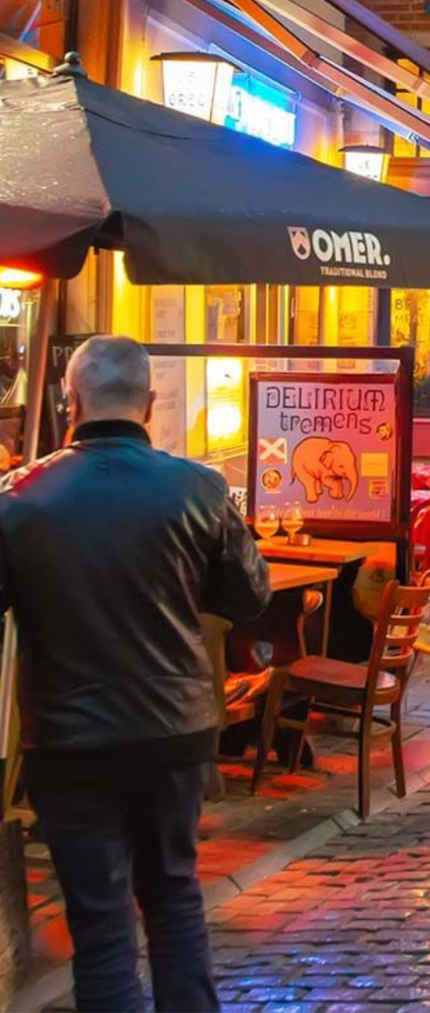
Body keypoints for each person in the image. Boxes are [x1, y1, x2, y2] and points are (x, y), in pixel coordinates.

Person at [0, 336, 272, 1011]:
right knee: (174, 896)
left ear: (72, 402)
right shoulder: (198, 487)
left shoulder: (19, 499)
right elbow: (249, 597)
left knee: (100, 923)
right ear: (149, 403)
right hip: (174, 729)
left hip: (69, 737)